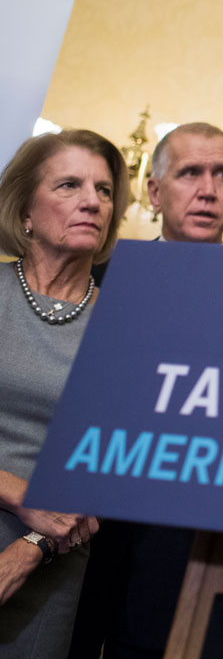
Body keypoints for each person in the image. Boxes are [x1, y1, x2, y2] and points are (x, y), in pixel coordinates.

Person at [70, 122, 223, 659]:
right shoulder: (93, 275)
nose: (207, 189)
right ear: (154, 190)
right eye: (190, 172)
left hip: (183, 542)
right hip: (79, 526)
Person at [0, 129, 127, 657]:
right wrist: (20, 494)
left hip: (50, 564)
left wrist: (31, 547)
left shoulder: (127, 326)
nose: (91, 201)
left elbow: (115, 465)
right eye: (70, 185)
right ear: (25, 208)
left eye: (103, 189)